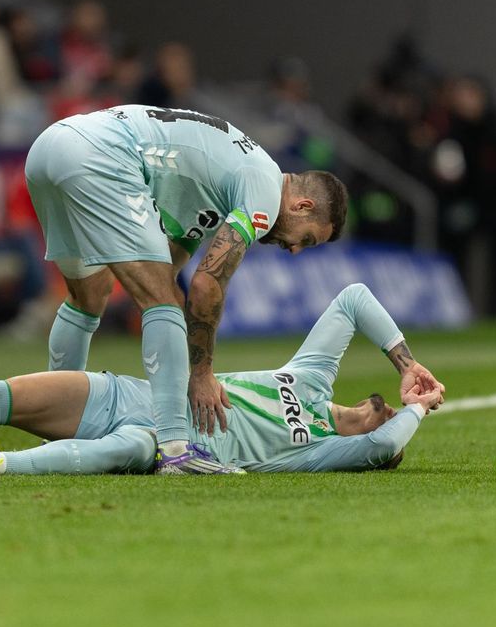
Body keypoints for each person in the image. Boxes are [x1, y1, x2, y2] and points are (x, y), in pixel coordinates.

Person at [0, 283, 443, 475]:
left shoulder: (324, 452)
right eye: (391, 407)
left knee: (133, 449)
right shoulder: (306, 378)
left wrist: (421, 410)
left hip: (165, 444)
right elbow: (355, 298)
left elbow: (385, 447)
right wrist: (408, 365)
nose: (385, 412)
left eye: (391, 416)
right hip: (126, 395)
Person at [23, 104, 347, 474]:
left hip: (49, 148)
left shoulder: (225, 179)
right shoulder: (265, 193)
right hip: (100, 155)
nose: (294, 250)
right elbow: (207, 283)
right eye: (305, 238)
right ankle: (176, 450)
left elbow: (170, 262)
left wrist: (158, 301)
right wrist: (202, 373)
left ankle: (55, 430)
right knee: (162, 300)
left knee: (88, 298)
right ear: (302, 205)